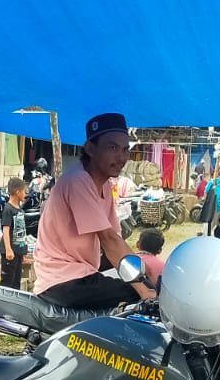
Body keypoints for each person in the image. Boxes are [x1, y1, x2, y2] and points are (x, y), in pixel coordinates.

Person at [33, 112, 154, 308]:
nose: (121, 157)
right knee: (137, 295)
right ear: (90, 148)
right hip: (62, 280)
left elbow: (115, 239)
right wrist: (144, 290)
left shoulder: (104, 185)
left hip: (80, 273)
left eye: (125, 150)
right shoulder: (77, 181)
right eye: (112, 148)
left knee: (146, 284)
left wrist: (147, 271)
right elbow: (109, 239)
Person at [0, 176, 30, 290]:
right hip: (10, 252)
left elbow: (21, 231)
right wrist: (8, 249)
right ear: (17, 192)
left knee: (16, 282)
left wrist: (23, 251)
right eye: (24, 191)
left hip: (18, 251)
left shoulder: (19, 209)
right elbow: (6, 230)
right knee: (7, 282)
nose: (25, 193)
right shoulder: (8, 209)